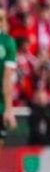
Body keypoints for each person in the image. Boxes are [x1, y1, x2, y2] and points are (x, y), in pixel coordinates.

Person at [0, 9, 18, 145]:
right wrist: (9, 109)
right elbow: (7, 78)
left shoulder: (7, 43)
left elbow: (7, 78)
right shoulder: (7, 43)